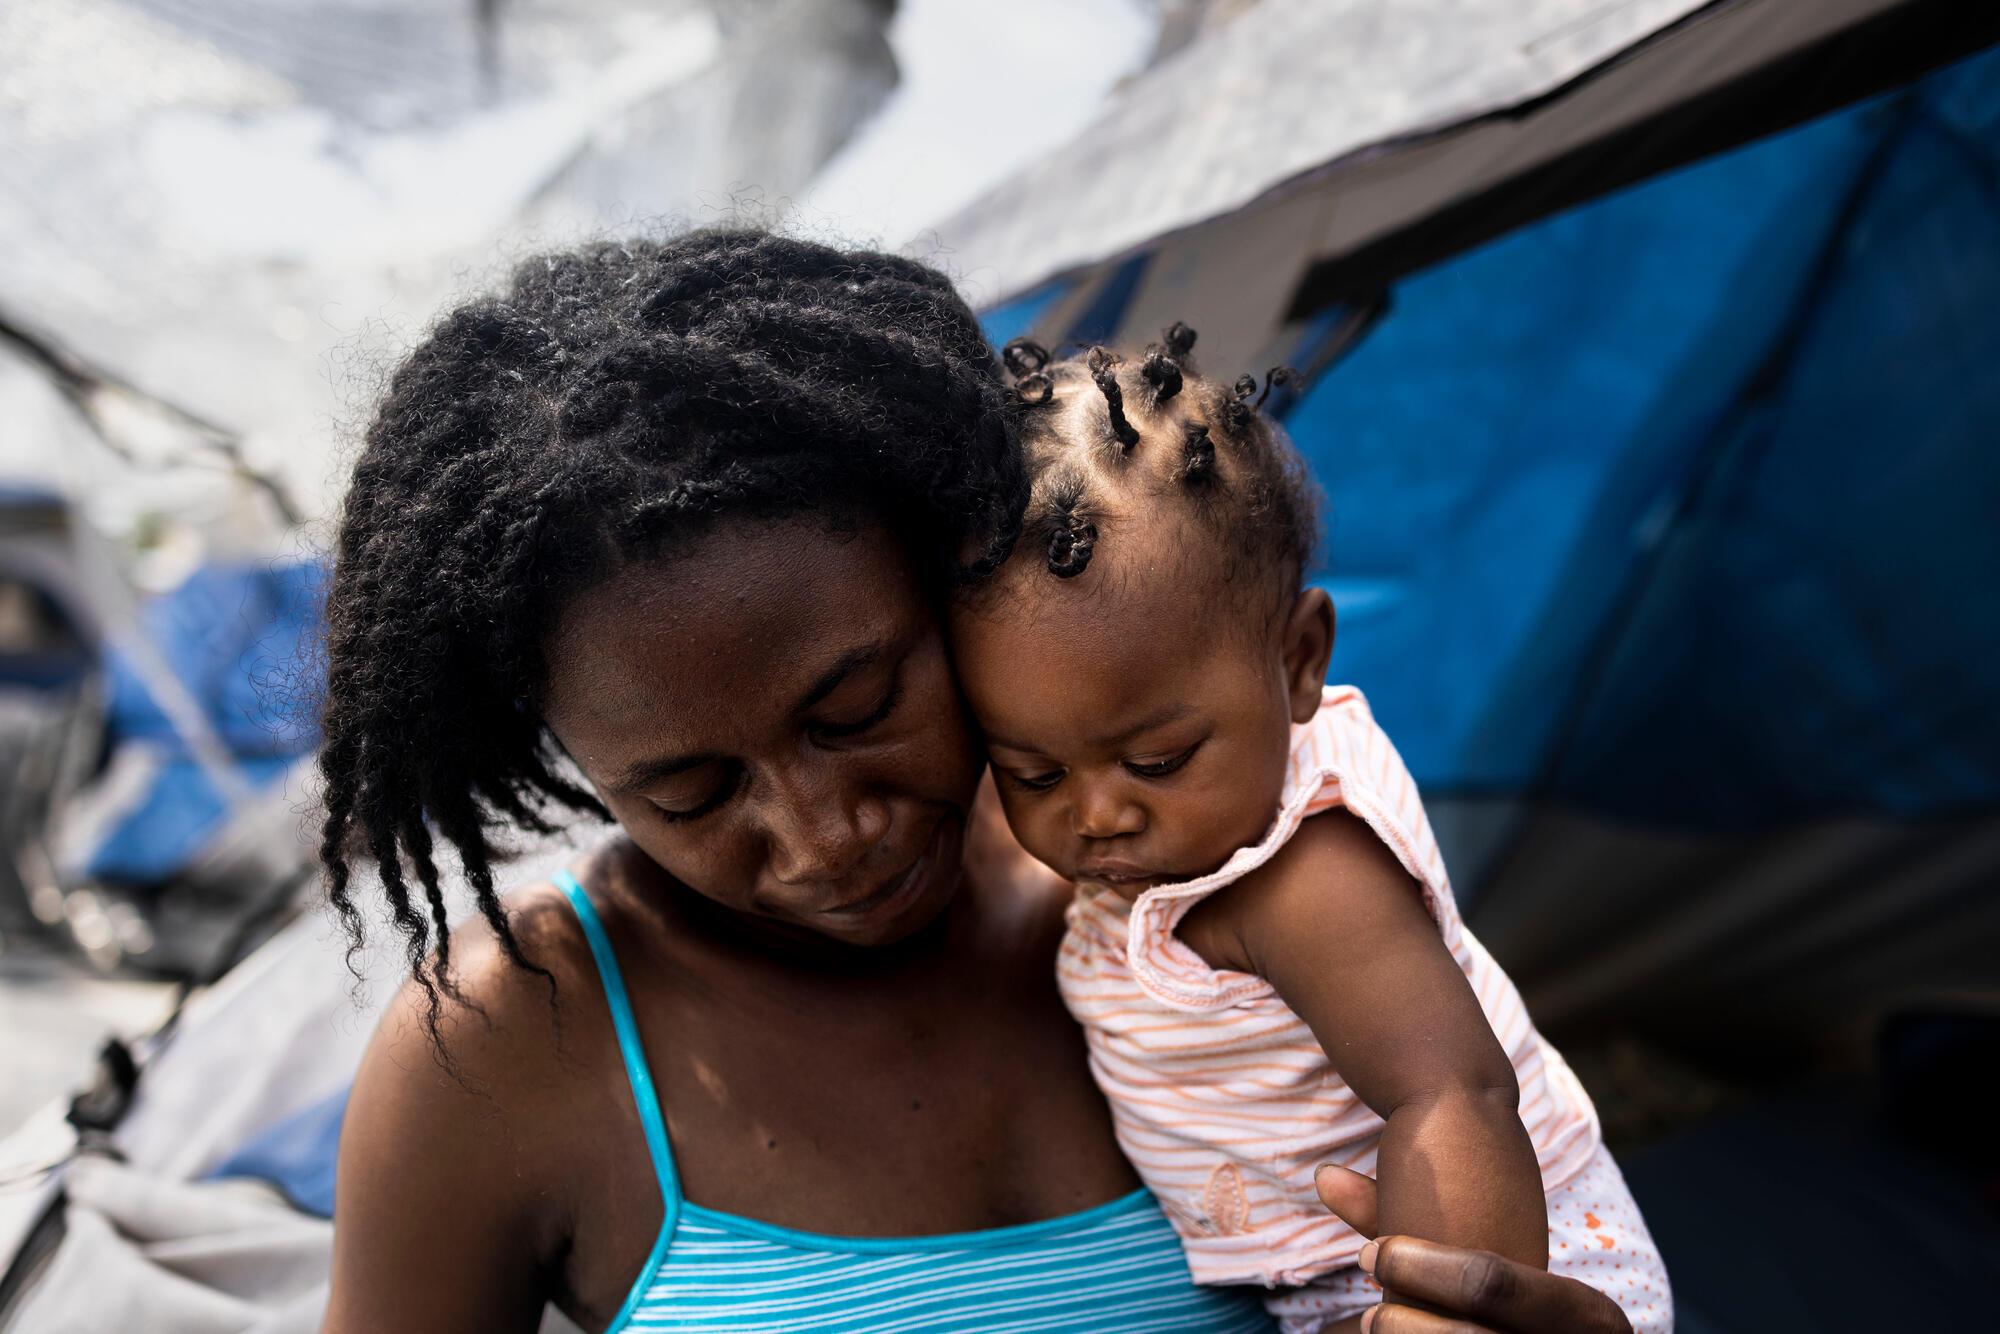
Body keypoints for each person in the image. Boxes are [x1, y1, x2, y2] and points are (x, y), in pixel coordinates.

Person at [315, 228, 1647, 1334]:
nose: (824, 834)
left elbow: (1457, 1125)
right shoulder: (509, 1052)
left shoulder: (1167, 873)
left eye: (858, 707)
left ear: (951, 563)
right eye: (692, 791)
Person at [947, 330, 1672, 1333]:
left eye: (1156, 759)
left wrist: (1447, 1307)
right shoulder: (1155, 845)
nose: (1098, 810)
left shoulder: (1302, 872)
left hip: (1508, 1262)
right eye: (1030, 771)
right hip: (1336, 1274)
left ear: (1297, 660)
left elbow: (1448, 1088)